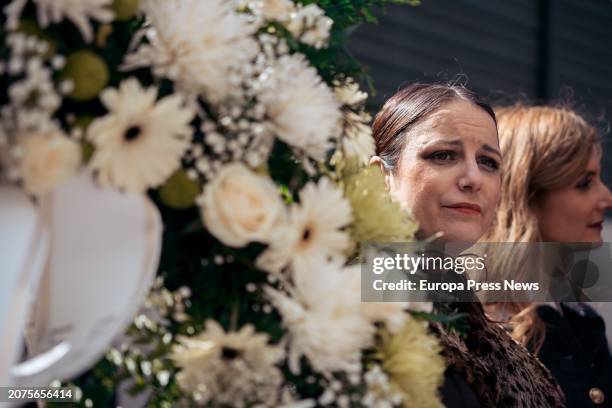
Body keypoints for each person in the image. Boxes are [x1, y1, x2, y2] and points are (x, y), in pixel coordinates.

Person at [370, 84, 565, 407]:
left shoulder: (494, 340)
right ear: (381, 177)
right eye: (443, 155)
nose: (473, 178)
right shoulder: (340, 313)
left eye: (488, 162)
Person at [486, 105, 612, 407]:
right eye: (584, 183)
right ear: (525, 194)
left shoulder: (580, 314)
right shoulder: (484, 326)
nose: (606, 197)